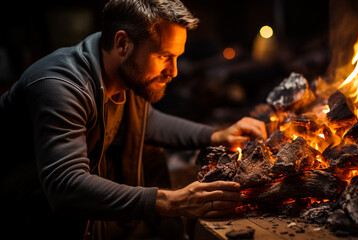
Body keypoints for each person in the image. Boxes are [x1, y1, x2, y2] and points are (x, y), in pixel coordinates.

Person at [0, 0, 267, 239]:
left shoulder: (124, 76)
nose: (173, 71)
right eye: (164, 56)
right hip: (24, 217)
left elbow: (147, 122)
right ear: (122, 44)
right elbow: (66, 186)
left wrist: (216, 135)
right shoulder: (60, 85)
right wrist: (172, 201)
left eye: (177, 58)